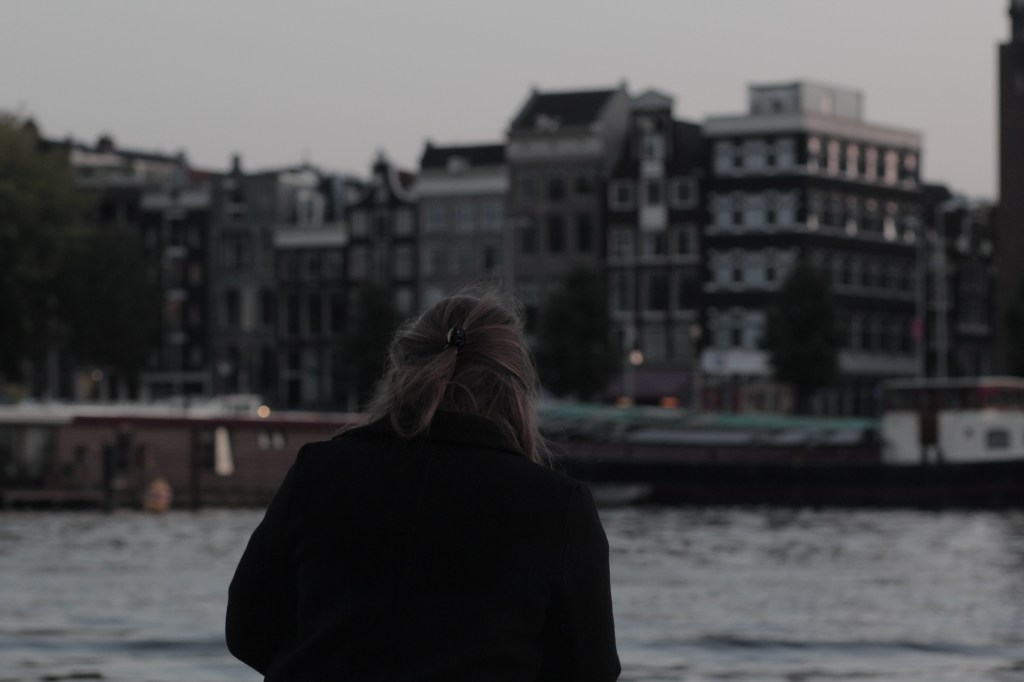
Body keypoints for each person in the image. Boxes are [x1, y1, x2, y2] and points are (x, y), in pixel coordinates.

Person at [226, 291, 620, 681]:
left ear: (401, 371)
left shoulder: (320, 471)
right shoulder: (558, 507)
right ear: (516, 390)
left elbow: (248, 628)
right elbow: (590, 670)